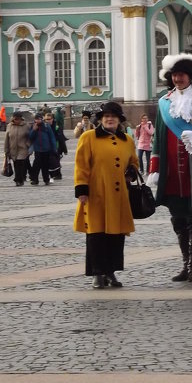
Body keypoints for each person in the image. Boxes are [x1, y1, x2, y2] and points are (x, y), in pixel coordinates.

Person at [148, 53, 192, 283]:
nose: (178, 78)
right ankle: (186, 263)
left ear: (191, 77)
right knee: (178, 219)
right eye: (175, 75)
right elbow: (158, 137)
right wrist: (155, 167)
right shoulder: (163, 102)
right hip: (172, 173)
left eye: (182, 74)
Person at [74, 101, 139, 289]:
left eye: (113, 116)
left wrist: (132, 172)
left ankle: (111, 271)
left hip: (118, 196)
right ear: (101, 119)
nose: (110, 119)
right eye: (106, 116)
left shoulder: (127, 140)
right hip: (96, 194)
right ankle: (97, 273)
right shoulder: (88, 137)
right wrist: (82, 190)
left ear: (119, 120)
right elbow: (81, 165)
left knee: (116, 235)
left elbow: (134, 161)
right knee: (96, 234)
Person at [28, 113, 56, 185]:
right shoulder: (33, 126)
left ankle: (46, 179)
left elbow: (52, 137)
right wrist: (34, 130)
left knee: (45, 165)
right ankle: (35, 180)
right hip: (37, 149)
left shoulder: (46, 126)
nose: (38, 120)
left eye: (39, 119)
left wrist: (54, 148)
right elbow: (30, 137)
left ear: (42, 119)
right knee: (36, 165)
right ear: (35, 120)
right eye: (37, 119)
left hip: (46, 149)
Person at [4, 111, 31, 186]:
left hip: (23, 148)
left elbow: (30, 137)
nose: (17, 121)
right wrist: (6, 150)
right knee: (16, 164)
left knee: (20, 163)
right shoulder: (9, 126)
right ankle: (19, 179)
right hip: (13, 148)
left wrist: (28, 145)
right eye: (15, 119)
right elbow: (7, 138)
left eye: (18, 119)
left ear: (21, 119)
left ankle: (18, 179)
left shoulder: (26, 126)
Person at [43, 111, 68, 180]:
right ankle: (52, 175)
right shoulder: (43, 127)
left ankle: (58, 174)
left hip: (57, 147)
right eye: (46, 119)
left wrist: (64, 150)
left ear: (52, 119)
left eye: (49, 119)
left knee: (55, 161)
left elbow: (61, 139)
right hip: (47, 147)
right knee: (50, 161)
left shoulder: (56, 127)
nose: (47, 121)